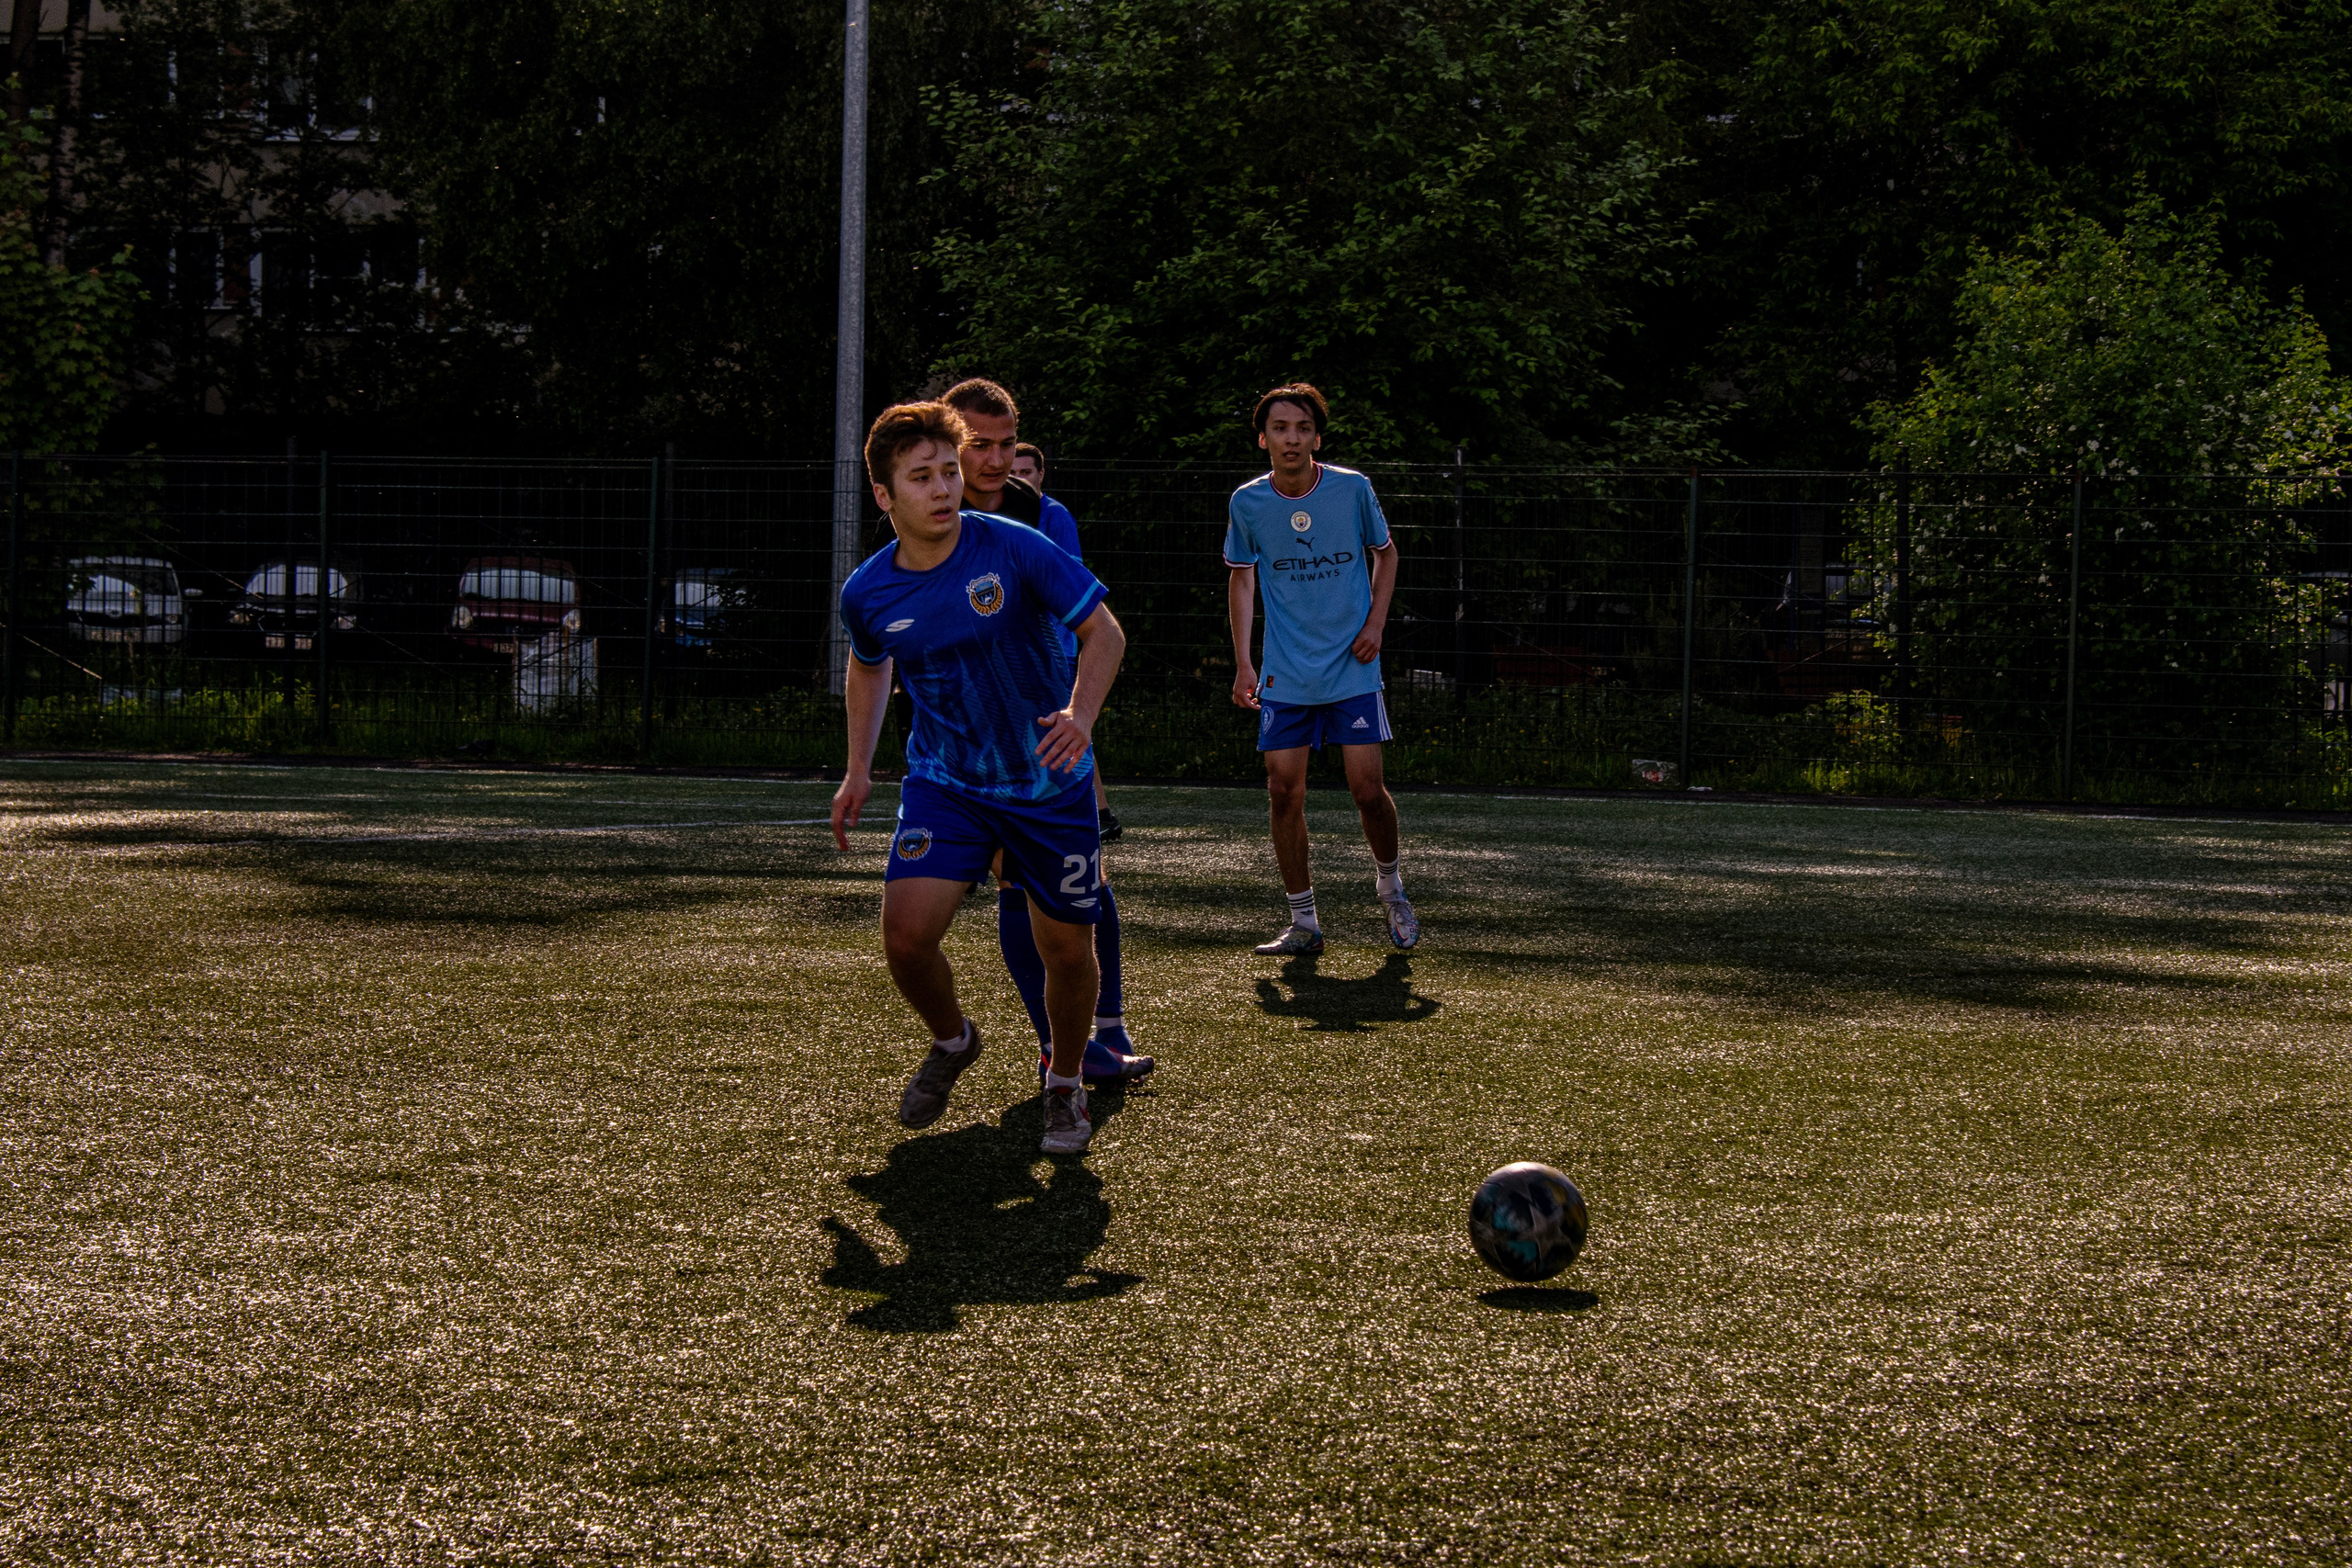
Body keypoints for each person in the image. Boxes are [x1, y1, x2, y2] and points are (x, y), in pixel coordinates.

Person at [831, 400, 1129, 1155]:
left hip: (1046, 783)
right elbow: (869, 666)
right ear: (884, 495)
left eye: (948, 472)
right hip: (948, 783)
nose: (943, 488)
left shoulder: (1017, 547)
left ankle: (1063, 1083)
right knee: (905, 938)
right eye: (921, 476)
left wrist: (1079, 717)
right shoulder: (868, 592)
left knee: (1067, 950)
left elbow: (1106, 633)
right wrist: (858, 768)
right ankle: (955, 1038)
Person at [939, 378, 1149, 1087]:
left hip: (1043, 716)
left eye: (1008, 444)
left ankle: (1107, 1024)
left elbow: (1077, 617)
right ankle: (1056, 1048)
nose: (998, 461)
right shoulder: (916, 513)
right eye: (980, 446)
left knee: (1082, 873)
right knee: (1010, 879)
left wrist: (1075, 706)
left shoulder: (1032, 510)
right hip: (967, 738)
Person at [1223, 382, 1419, 955]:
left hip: (1353, 667)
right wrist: (1242, 662)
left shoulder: (1352, 488)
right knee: (1284, 791)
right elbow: (1241, 576)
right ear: (1264, 438)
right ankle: (1304, 922)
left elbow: (1387, 554)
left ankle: (1390, 888)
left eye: (1302, 428)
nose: (1292, 439)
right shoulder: (1248, 502)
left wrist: (1375, 626)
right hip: (1286, 671)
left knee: (1366, 790)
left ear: (1316, 436)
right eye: (1281, 429)